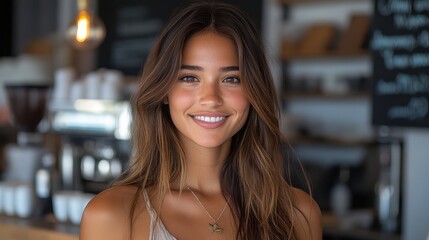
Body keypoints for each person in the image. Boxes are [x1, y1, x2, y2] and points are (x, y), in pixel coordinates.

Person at [80, 1, 322, 239]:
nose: (211, 98)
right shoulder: (110, 215)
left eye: (231, 79)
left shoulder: (299, 213)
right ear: (164, 92)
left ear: (253, 93)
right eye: (189, 77)